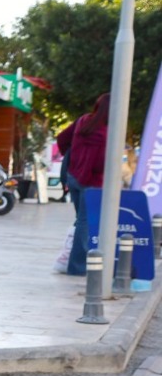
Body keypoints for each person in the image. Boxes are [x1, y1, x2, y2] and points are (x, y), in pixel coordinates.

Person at [56, 93, 109, 277]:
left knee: (81, 221)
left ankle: (73, 261)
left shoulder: (83, 121)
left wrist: (74, 160)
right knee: (85, 223)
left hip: (74, 177)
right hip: (92, 182)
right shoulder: (106, 132)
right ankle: (77, 267)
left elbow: (62, 139)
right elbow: (101, 163)